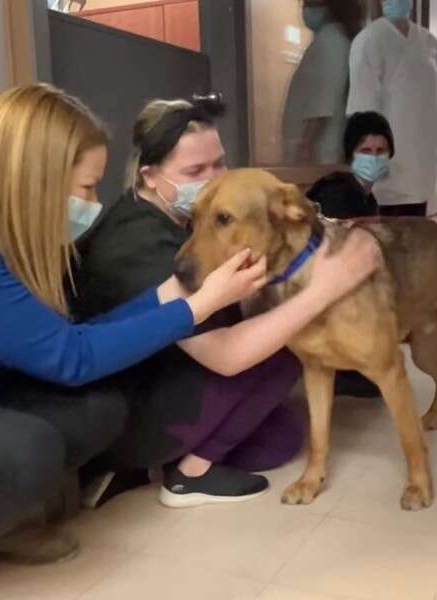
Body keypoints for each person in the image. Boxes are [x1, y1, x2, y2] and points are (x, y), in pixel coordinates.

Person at [0, 84, 351, 598]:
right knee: (28, 449)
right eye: (83, 188)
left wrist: (172, 296)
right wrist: (199, 304)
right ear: (31, 181)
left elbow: (63, 343)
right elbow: (73, 357)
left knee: (95, 409)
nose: (91, 204)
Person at [73, 98, 378, 512]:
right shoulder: (142, 244)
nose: (214, 178)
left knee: (279, 441)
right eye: (195, 171)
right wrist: (326, 287)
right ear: (150, 175)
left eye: (219, 163)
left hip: (168, 372)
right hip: (127, 405)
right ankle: (186, 475)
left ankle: (144, 470)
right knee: (290, 338)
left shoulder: (181, 217)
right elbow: (226, 356)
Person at [304, 110, 395, 398]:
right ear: (350, 154)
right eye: (366, 150)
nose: (374, 157)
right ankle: (338, 366)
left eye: (381, 151)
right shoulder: (337, 192)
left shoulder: (365, 196)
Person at [346, 0, 437, 216]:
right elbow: (362, 115)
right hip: (387, 184)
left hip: (427, 176)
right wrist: (369, 168)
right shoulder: (369, 40)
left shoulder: (428, 42)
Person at [282, 0, 363, 164]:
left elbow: (324, 101)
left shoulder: (331, 41)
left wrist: (307, 143)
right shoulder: (332, 39)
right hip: (319, 149)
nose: (305, 9)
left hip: (319, 151)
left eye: (309, 4)